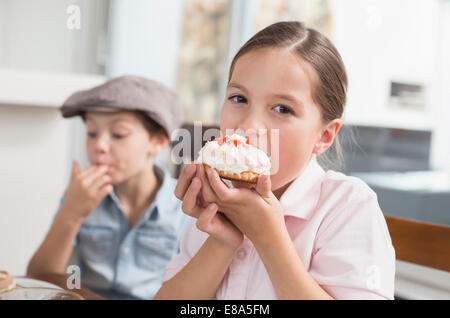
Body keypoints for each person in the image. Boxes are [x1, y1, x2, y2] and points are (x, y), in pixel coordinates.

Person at [154, 21, 395, 300]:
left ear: (324, 135)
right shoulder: (216, 199)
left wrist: (268, 236)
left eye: (282, 108)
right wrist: (223, 239)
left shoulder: (347, 205)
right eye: (239, 98)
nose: (249, 125)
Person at [27, 75, 190, 299]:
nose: (99, 146)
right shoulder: (80, 195)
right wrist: (72, 213)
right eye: (92, 133)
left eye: (118, 134)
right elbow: (39, 274)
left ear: (158, 142)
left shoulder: (185, 208)